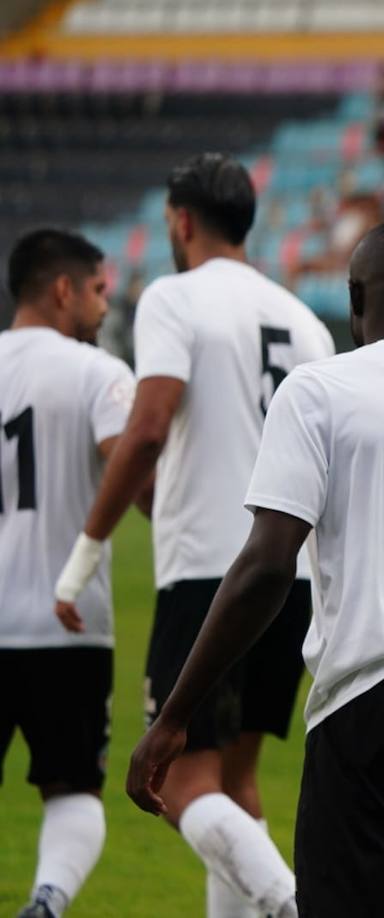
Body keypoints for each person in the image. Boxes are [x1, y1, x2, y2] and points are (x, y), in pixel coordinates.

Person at [127, 220, 384, 918]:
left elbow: (266, 563)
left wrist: (176, 713)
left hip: (378, 695)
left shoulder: (321, 390)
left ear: (355, 299)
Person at [53, 153, 334, 917]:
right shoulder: (304, 320)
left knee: (177, 783)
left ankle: (292, 902)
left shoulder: (174, 297)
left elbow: (147, 428)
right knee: (237, 784)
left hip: (210, 572)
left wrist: (83, 555)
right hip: (292, 576)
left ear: (179, 221)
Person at [1, 230, 134, 918]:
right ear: (63, 289)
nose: (103, 306)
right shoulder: (95, 371)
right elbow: (137, 469)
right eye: (99, 291)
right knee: (75, 791)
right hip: (67, 623)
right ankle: (47, 901)